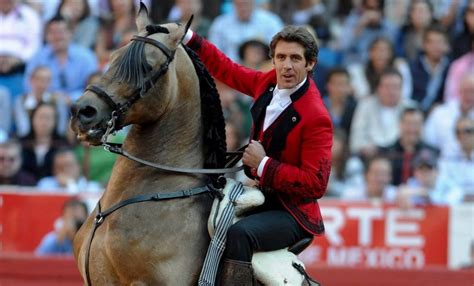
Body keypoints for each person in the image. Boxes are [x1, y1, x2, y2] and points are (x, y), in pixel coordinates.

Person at [185, 25, 332, 284]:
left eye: (295, 58)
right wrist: (190, 38)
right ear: (272, 59)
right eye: (281, 57)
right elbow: (227, 69)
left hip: (293, 213)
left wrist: (263, 165)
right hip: (262, 196)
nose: (287, 65)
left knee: (240, 234)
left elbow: (316, 184)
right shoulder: (268, 82)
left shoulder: (317, 116)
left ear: (310, 64)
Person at [24, 14, 98, 101]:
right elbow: (28, 86)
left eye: (61, 32)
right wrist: (49, 97)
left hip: (80, 105)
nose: (58, 37)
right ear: (46, 36)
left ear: (71, 33)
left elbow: (94, 86)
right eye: (53, 32)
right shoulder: (37, 57)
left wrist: (71, 98)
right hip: (46, 104)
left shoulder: (86, 57)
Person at [379, 107, 439, 186]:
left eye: (416, 124)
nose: (412, 129)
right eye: (408, 124)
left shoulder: (433, 153)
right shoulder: (386, 154)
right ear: (400, 125)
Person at [207, 0, 283, 62]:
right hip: (229, 73)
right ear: (233, 3)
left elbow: (280, 51)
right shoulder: (219, 24)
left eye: (246, 3)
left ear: (254, 2)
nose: (243, 8)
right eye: (239, 4)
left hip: (263, 71)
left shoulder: (271, 21)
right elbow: (213, 55)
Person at [37, 148, 103, 194]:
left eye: (69, 166)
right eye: (60, 167)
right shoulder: (45, 185)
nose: (66, 170)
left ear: (79, 166)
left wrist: (70, 184)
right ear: (54, 170)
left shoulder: (92, 188)